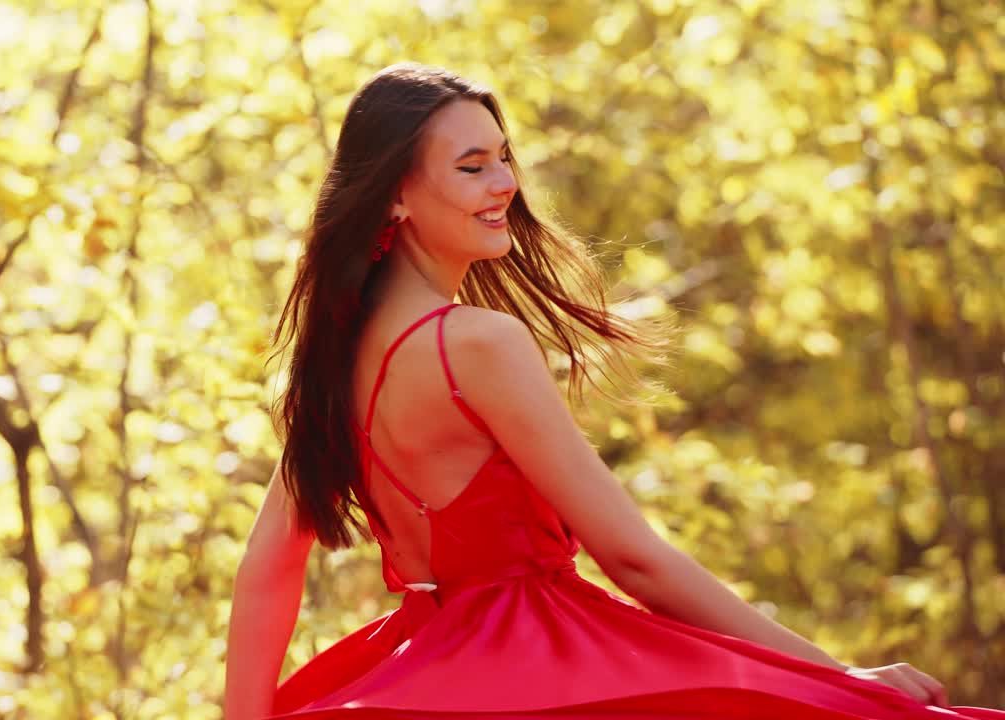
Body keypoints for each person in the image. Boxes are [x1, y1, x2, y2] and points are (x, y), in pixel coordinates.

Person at [223, 62, 1003, 720]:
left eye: (503, 157)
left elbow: (268, 570)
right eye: (471, 167)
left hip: (414, 671)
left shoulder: (333, 359)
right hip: (545, 666)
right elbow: (635, 561)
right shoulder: (479, 343)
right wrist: (835, 677)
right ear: (394, 194)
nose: (503, 184)